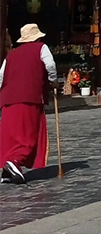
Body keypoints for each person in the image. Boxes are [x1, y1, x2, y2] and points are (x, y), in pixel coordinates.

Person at [0, 24, 58, 184]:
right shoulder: (41, 48)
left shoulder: (12, 55)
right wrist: (53, 81)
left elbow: (1, 76)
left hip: (8, 100)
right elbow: (50, 65)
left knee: (11, 134)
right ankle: (15, 161)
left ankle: (7, 171)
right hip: (29, 97)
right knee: (29, 134)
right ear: (38, 37)